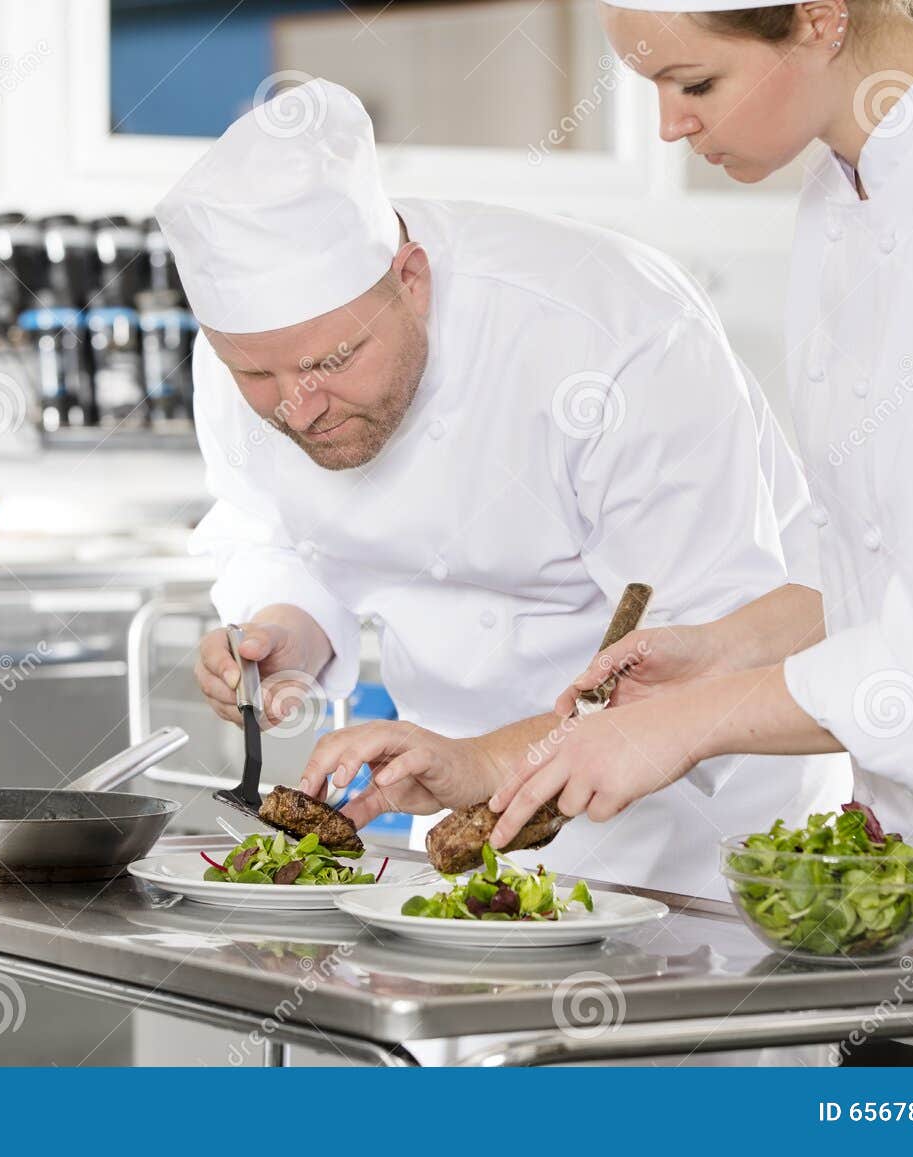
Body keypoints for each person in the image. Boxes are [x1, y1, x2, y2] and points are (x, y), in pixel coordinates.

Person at [339, 0, 913, 1067]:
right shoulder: (841, 194)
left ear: (818, 19)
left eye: (695, 83)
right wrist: (725, 647)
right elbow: (873, 555)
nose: (671, 125)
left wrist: (687, 725)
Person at [158, 78, 848, 897]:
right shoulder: (253, 345)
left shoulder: (612, 337)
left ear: (409, 277)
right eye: (255, 374)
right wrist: (285, 637)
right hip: (453, 816)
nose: (298, 407)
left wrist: (484, 759)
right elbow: (274, 529)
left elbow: (698, 649)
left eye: (333, 362)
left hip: (693, 834)